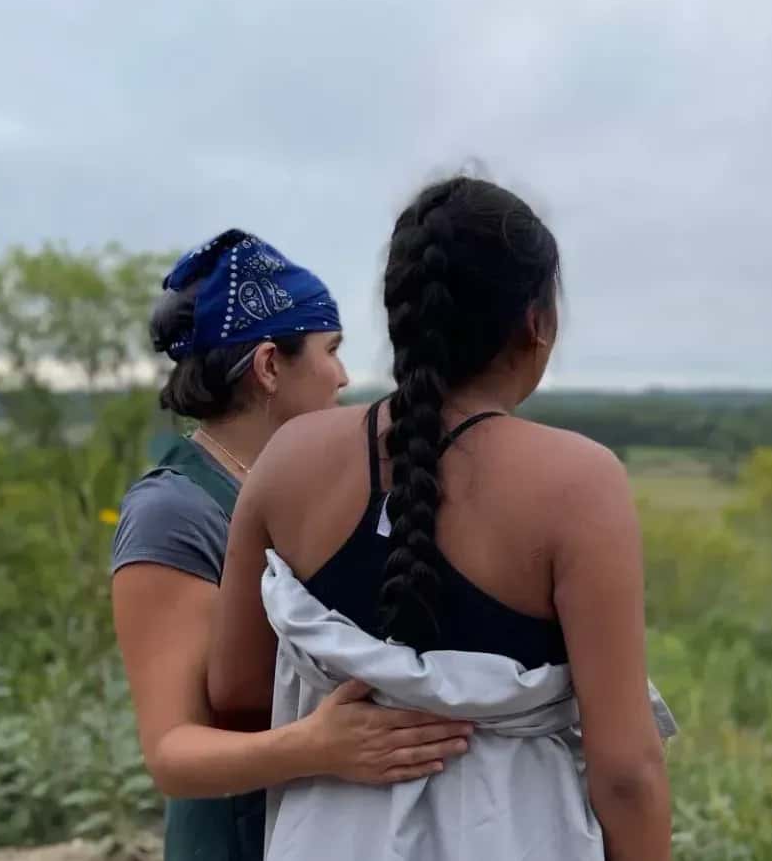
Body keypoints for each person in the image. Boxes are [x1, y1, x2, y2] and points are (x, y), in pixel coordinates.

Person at [207, 176, 675, 860]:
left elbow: (236, 692)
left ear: (404, 315)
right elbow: (627, 772)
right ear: (537, 323)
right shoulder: (580, 485)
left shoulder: (288, 459)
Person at [111, 230, 475, 861]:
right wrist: (318, 747)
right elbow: (174, 753)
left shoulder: (309, 487)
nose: (341, 375)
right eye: (329, 350)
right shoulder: (175, 512)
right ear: (270, 366)